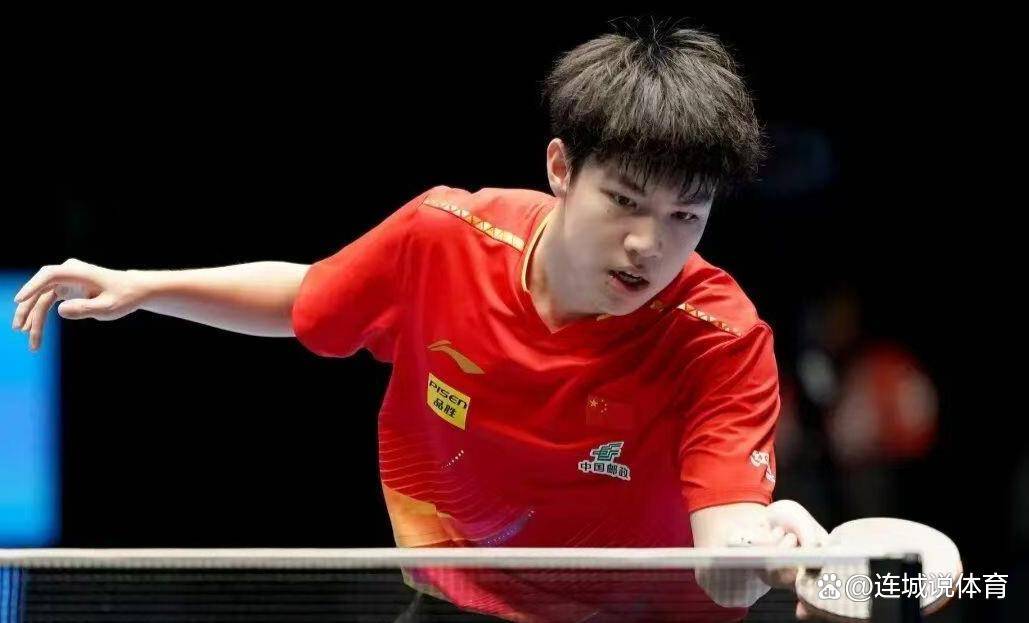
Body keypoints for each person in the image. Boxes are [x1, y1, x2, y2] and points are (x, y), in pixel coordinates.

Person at [12, 19, 827, 621]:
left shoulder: (719, 337)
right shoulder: (444, 236)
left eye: (686, 216)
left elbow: (723, 564)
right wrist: (144, 285)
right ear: (559, 167)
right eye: (624, 200)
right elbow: (306, 298)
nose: (649, 244)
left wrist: (769, 552)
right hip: (460, 599)